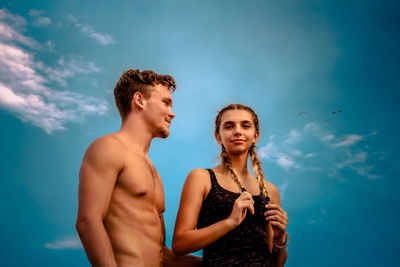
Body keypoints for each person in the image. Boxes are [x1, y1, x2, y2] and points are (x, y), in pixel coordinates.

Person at [76, 69, 201, 267]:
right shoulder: (108, 147)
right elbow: (88, 222)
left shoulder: (152, 171)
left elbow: (161, 254)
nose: (172, 113)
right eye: (166, 102)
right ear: (139, 100)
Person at [172, 104, 289, 266]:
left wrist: (280, 237)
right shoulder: (202, 178)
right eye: (229, 126)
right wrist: (230, 222)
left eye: (245, 126)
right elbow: (180, 244)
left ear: (256, 136)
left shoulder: (270, 191)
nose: (238, 131)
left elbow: (277, 263)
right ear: (218, 137)